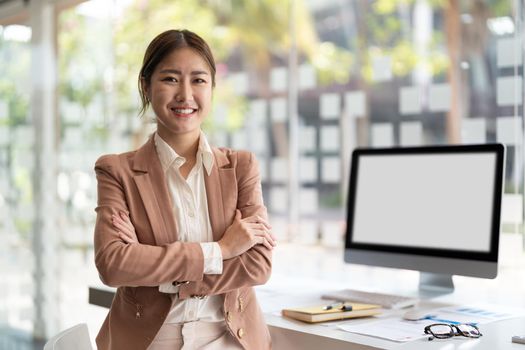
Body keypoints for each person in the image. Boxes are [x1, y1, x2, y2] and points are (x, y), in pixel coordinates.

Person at [93, 29, 276, 350]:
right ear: (146, 86)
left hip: (229, 338)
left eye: (199, 80)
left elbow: (258, 264)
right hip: (149, 342)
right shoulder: (116, 171)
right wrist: (221, 250)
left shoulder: (241, 168)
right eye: (171, 79)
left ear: (212, 88)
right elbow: (114, 265)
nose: (185, 94)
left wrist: (155, 268)